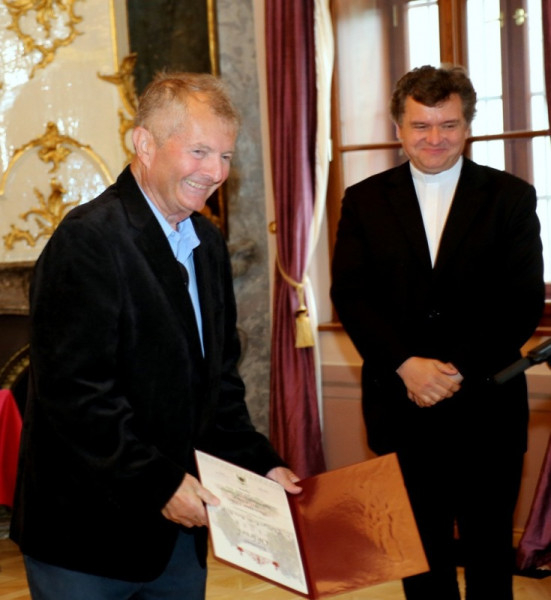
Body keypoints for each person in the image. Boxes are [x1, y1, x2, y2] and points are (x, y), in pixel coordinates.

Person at [10, 72, 301, 600]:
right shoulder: (88, 240)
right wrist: (159, 483)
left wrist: (261, 464)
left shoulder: (207, 243)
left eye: (225, 156)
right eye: (199, 151)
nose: (216, 172)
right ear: (143, 144)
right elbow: (76, 396)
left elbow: (218, 385)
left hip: (175, 539)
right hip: (86, 538)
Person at [331, 65, 545, 600]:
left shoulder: (511, 197)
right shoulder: (363, 200)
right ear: (398, 128)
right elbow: (351, 297)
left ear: (467, 127)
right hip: (401, 407)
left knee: (490, 562)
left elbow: (521, 303)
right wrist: (406, 365)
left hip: (487, 408)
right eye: (421, 125)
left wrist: (452, 372)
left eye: (448, 125)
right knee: (421, 567)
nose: (434, 138)